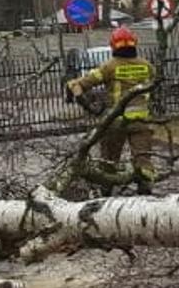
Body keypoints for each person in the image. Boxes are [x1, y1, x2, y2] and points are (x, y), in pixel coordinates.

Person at [67, 26, 159, 191]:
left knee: (109, 160)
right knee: (143, 160)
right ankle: (146, 189)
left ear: (113, 45)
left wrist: (88, 105)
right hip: (142, 121)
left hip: (116, 121)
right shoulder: (147, 66)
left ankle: (106, 190)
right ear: (134, 43)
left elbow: (80, 85)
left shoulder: (109, 67)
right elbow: (155, 86)